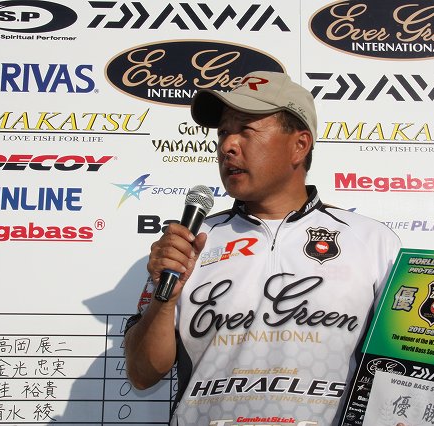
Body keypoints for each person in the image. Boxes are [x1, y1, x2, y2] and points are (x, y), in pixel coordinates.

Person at [124, 70, 401, 425]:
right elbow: (142, 374)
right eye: (223, 132)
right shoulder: (188, 243)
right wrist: (165, 300)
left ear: (300, 145)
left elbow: (400, 369)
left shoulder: (373, 242)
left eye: (245, 130)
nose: (227, 145)